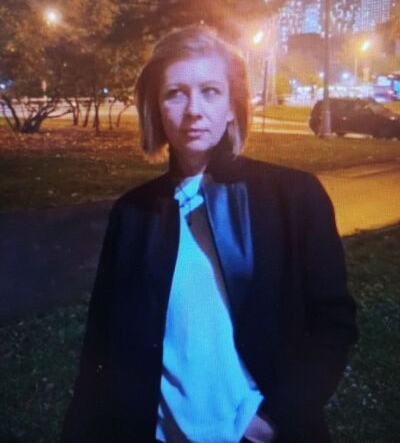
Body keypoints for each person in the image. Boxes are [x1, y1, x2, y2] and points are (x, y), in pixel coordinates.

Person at [60, 26, 358, 443]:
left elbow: (332, 322)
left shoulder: (293, 196)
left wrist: (274, 421)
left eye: (210, 91)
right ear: (156, 108)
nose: (194, 110)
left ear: (233, 106)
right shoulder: (133, 213)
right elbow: (102, 344)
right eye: (175, 93)